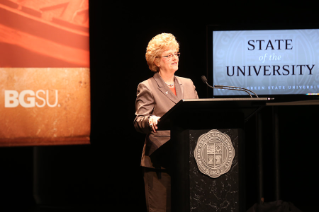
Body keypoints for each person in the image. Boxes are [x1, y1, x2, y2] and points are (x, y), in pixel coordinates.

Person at [134, 33, 198, 212]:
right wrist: (150, 120)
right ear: (156, 61)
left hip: (188, 159)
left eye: (176, 54)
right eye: (168, 55)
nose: (174, 58)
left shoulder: (188, 84)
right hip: (159, 162)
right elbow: (139, 120)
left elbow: (198, 115)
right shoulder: (147, 86)